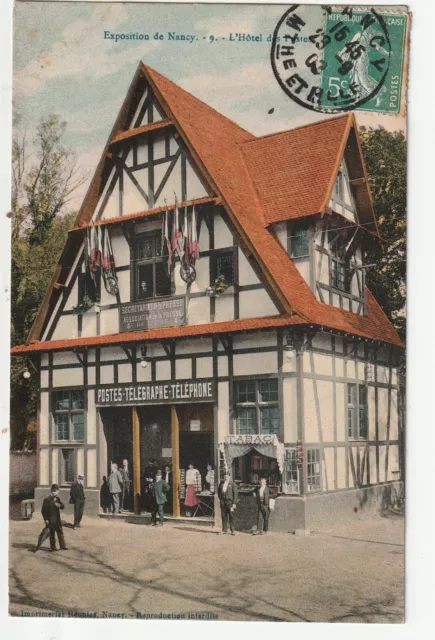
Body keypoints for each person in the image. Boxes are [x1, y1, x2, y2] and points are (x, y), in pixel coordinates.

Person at [35, 484, 68, 552]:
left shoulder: (57, 498)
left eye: (57, 491)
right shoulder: (47, 499)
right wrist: (46, 519)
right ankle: (53, 547)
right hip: (50, 520)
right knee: (52, 533)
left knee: (60, 532)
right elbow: (43, 511)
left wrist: (59, 505)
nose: (57, 492)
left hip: (57, 519)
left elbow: (63, 507)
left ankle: (63, 546)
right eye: (56, 491)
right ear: (53, 491)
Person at [218, 471, 238, 535]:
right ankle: (224, 530)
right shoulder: (221, 483)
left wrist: (234, 503)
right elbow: (218, 492)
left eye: (227, 476)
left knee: (231, 516)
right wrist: (221, 499)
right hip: (223, 502)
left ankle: (232, 530)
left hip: (230, 502)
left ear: (229, 477)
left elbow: (235, 494)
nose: (226, 477)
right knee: (223, 516)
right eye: (224, 476)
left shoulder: (232, 484)